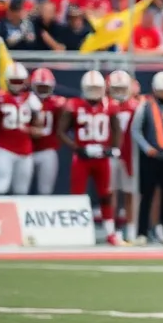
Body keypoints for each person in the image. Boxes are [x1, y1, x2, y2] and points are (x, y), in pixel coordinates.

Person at [60, 71, 122, 244]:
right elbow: (61, 132)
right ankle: (76, 230)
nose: (94, 91)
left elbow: (117, 129)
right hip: (82, 157)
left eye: (97, 88)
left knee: (106, 194)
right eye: (91, 88)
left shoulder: (110, 105)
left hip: (102, 157)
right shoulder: (74, 104)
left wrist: (114, 148)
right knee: (78, 194)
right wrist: (77, 148)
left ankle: (111, 232)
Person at [130, 71, 163, 244]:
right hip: (152, 157)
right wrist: (147, 148)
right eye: (162, 90)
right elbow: (135, 130)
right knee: (147, 195)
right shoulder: (145, 106)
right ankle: (142, 233)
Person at [0, 62, 40, 194]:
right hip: (4, 148)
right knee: (1, 186)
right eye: (14, 80)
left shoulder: (31, 99)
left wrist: (31, 130)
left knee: (22, 190)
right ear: (7, 81)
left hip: (25, 150)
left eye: (19, 81)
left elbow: (39, 127)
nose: (17, 84)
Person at [108, 71, 139, 242]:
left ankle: (131, 228)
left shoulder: (136, 106)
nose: (119, 92)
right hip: (111, 154)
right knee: (111, 193)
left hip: (130, 155)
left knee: (130, 193)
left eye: (122, 88)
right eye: (116, 88)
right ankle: (112, 228)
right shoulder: (106, 106)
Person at [29, 67, 63, 195]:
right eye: (40, 87)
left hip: (48, 149)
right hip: (27, 151)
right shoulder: (26, 101)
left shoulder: (57, 103)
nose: (43, 90)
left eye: (45, 87)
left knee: (46, 190)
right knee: (21, 188)